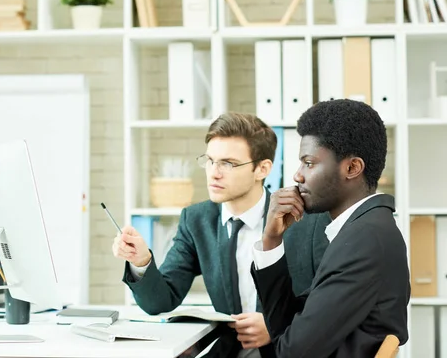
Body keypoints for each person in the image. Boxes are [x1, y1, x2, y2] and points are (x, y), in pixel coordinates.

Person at [112, 112, 331, 358]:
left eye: (228, 163)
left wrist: (279, 324)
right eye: (210, 160)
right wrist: (141, 262)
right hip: (228, 351)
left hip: (291, 349)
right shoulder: (197, 220)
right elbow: (161, 302)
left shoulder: (307, 220)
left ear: (262, 169)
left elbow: (331, 300)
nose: (214, 173)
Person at [250, 99, 410, 358]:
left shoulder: (365, 240)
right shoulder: (363, 230)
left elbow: (291, 353)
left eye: (309, 163)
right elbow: (292, 327)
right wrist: (271, 240)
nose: (297, 176)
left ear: (352, 168)